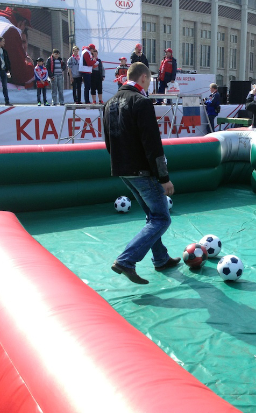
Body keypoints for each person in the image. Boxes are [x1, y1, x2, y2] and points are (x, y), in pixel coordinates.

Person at [103, 62, 178, 285]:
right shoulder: (141, 102)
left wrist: (120, 164)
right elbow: (152, 143)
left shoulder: (109, 103)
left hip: (122, 168)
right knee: (161, 218)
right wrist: (163, 177)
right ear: (144, 78)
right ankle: (127, 260)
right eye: (150, 79)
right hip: (141, 169)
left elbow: (109, 141)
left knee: (151, 215)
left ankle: (161, 258)